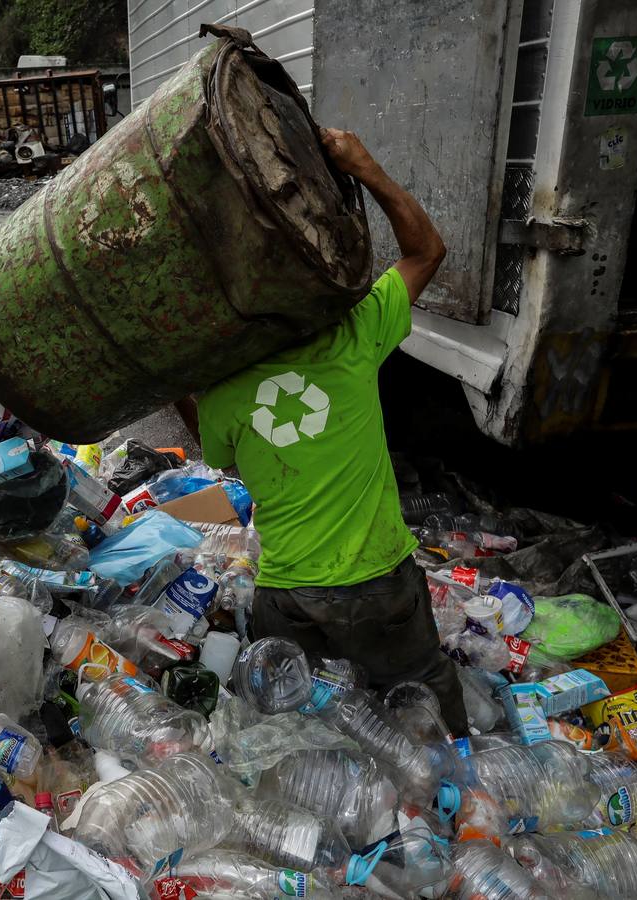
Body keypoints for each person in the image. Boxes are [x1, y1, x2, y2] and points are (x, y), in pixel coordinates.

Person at [188, 127, 468, 734]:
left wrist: (188, 374)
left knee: (304, 724)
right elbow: (427, 253)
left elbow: (225, 465)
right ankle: (460, 793)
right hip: (381, 583)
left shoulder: (222, 394)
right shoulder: (355, 336)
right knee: (424, 689)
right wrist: (366, 167)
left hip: (290, 598)